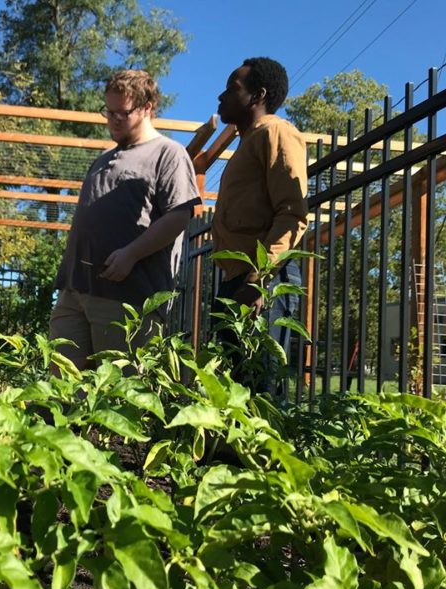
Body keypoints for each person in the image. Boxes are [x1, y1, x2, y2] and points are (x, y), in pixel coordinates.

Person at [50, 69, 201, 371]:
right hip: (75, 292)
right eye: (109, 112)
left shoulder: (168, 154)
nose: (114, 119)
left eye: (124, 113)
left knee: (118, 395)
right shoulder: (102, 160)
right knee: (61, 388)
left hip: (128, 299)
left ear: (148, 108)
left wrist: (131, 254)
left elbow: (179, 215)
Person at [212, 57, 308, 396]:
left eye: (231, 89)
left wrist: (258, 279)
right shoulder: (247, 143)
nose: (221, 97)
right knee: (233, 389)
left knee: (260, 391)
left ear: (258, 95)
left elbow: (292, 214)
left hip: (263, 281)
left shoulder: (276, 132)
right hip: (237, 281)